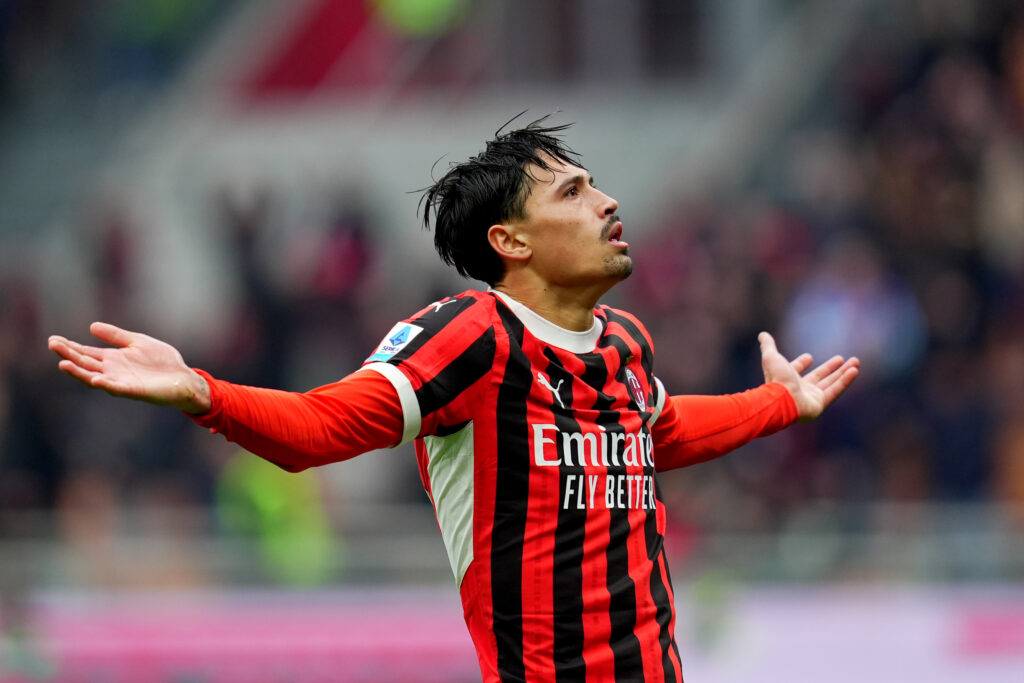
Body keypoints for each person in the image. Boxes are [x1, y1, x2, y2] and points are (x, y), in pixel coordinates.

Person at [49, 119, 859, 683]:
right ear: (509, 241)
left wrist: (779, 404)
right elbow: (323, 427)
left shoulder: (625, 344)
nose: (608, 201)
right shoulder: (470, 336)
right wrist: (202, 391)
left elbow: (661, 430)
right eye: (573, 193)